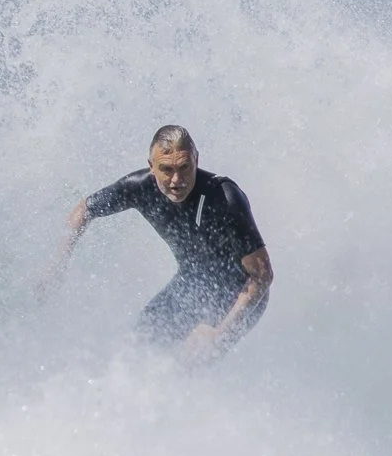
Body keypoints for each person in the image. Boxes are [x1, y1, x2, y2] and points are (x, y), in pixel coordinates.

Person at [47, 126, 271, 361]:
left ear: (196, 159)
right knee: (140, 346)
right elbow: (84, 209)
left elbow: (262, 276)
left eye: (185, 167)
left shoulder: (224, 197)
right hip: (190, 284)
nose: (177, 180)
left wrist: (219, 333)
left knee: (192, 359)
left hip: (240, 296)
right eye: (167, 169)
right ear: (151, 167)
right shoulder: (139, 187)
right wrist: (57, 264)